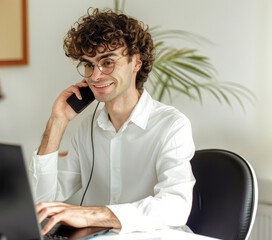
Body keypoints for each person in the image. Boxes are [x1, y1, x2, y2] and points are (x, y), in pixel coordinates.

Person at [30, 8, 195, 236]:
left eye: (107, 62)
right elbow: (43, 202)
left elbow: (175, 207)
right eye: (88, 64)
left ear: (136, 62)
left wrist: (92, 214)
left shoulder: (171, 125)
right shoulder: (87, 128)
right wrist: (57, 122)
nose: (95, 76)